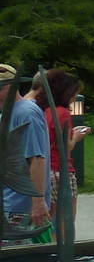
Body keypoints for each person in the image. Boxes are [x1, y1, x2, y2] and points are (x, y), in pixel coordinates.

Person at [1, 64, 52, 244]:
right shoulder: (7, 114)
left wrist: (37, 203)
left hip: (21, 208)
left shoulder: (26, 113)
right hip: (9, 204)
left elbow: (37, 158)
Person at [32, 69, 89, 221]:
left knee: (49, 218)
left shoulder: (45, 110)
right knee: (66, 219)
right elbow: (65, 148)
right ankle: (63, 245)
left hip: (47, 171)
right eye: (74, 93)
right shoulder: (63, 113)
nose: (75, 96)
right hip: (61, 171)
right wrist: (76, 137)